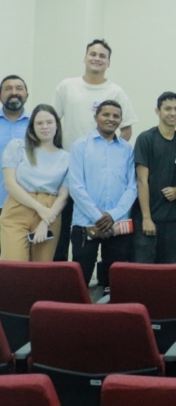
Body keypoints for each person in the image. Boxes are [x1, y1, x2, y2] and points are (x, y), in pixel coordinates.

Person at [53, 39, 138, 265]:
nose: (97, 58)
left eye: (102, 56)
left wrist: (107, 151)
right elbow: (53, 123)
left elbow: (127, 128)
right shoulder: (66, 86)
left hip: (109, 192)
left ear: (109, 62)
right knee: (66, 237)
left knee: (114, 260)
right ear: (85, 57)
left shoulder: (115, 91)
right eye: (93, 54)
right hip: (71, 176)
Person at [66, 100, 137, 287]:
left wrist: (112, 215)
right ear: (96, 117)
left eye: (116, 116)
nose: (111, 119)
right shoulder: (80, 146)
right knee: (80, 279)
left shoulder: (127, 149)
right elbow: (75, 185)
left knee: (114, 283)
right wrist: (98, 216)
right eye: (106, 114)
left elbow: (132, 187)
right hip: (85, 223)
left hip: (118, 223)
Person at [0, 105, 70, 261]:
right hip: (19, 207)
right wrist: (39, 208)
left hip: (51, 212)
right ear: (32, 127)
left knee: (41, 270)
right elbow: (10, 184)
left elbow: (64, 195)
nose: (45, 127)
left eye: (49, 122)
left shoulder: (66, 157)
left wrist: (46, 220)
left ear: (57, 125)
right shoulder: (17, 147)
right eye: (39, 123)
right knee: (13, 265)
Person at [132, 92, 176, 264]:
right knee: (143, 274)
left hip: (173, 221)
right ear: (158, 111)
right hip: (148, 218)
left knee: (169, 274)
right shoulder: (146, 139)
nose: (173, 113)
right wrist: (147, 218)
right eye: (167, 108)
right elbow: (142, 181)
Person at [0, 75, 30, 209]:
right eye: (8, 89)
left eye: (19, 88)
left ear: (27, 95)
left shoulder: (38, 125)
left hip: (28, 203)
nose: (14, 93)